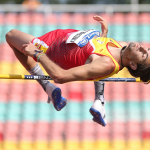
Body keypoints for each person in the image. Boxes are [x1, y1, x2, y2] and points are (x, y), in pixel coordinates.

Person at [5, 15, 150, 127]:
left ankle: (48, 86)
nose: (143, 47)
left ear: (133, 65)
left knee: (11, 35)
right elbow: (96, 54)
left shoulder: (107, 63)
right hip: (61, 37)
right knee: (14, 39)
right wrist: (103, 38)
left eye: (144, 55)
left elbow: (60, 76)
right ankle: (99, 100)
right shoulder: (121, 46)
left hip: (51, 47)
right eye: (147, 49)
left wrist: (37, 53)